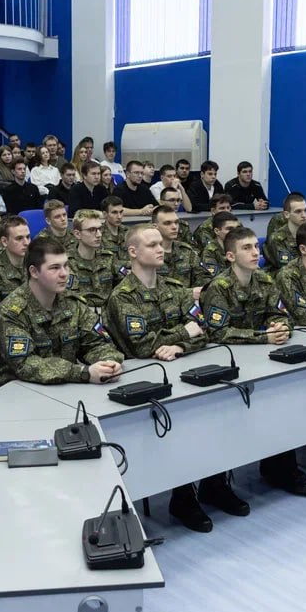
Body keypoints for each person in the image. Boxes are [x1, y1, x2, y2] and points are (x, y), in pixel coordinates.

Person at [105, 224, 221, 532]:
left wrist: (180, 345)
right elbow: (142, 346)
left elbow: (205, 329)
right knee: (182, 425)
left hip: (180, 368)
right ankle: (183, 498)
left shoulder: (174, 287)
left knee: (217, 408)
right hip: (143, 381)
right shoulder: (123, 296)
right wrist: (184, 333)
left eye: (161, 243)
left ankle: (216, 484)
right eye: (152, 244)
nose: (160, 249)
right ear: (133, 252)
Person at [200, 227, 306, 498]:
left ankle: (280, 468)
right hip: (227, 364)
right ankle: (215, 486)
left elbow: (280, 313)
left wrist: (280, 326)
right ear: (230, 256)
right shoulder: (219, 287)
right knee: (226, 422)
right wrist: (264, 337)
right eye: (247, 248)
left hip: (261, 358)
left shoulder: (264, 280)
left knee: (281, 405)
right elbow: (217, 333)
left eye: (256, 246)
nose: (255, 253)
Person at [0, 235, 124, 388]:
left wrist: (108, 363)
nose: (64, 273)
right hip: (18, 390)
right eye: (55, 268)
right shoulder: (12, 312)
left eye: (66, 265)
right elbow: (25, 364)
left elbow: (97, 342)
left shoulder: (72, 303)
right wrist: (82, 372)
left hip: (63, 387)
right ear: (34, 272)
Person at [152, 204, 209, 297]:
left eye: (176, 222)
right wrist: (188, 293)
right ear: (155, 226)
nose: (174, 227)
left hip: (189, 302)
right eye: (167, 223)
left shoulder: (186, 250)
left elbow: (203, 276)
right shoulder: (147, 253)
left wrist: (201, 290)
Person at [67, 208, 119, 310]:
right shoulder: (67, 263)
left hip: (109, 311)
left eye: (100, 229)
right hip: (82, 314)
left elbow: (125, 285)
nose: (99, 235)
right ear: (77, 234)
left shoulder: (108, 257)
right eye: (92, 230)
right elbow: (70, 299)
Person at [265, 192, 306, 271]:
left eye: (305, 210)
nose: (304, 215)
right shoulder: (277, 239)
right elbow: (288, 268)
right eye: (298, 211)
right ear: (286, 215)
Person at [199, 211, 241, 279]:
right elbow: (217, 278)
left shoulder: (240, 246)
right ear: (217, 231)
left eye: (237, 228)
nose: (235, 232)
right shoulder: (209, 252)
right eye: (229, 229)